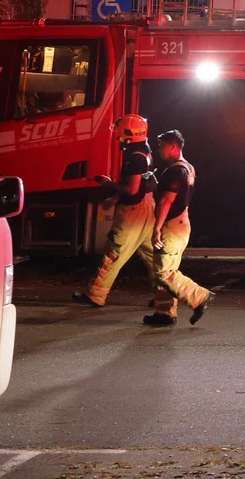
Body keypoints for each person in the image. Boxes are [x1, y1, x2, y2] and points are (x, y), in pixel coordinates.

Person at [73, 115, 157, 307]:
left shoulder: (135, 157)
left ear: (129, 133)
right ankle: (167, 297)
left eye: (120, 130)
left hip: (133, 214)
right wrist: (114, 199)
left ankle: (95, 295)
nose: (117, 134)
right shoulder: (144, 151)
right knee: (156, 260)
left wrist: (109, 184)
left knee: (113, 254)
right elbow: (140, 188)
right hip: (146, 210)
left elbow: (133, 189)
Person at [145, 129, 215, 327]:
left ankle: (200, 297)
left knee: (163, 272)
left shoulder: (175, 171)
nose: (159, 150)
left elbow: (167, 200)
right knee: (165, 268)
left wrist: (157, 228)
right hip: (182, 223)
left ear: (173, 146)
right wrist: (156, 184)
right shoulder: (188, 168)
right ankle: (164, 313)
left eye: (162, 146)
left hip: (172, 225)